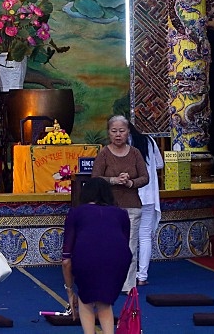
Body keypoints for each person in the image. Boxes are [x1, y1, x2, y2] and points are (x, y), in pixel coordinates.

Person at [62, 177, 132, 334]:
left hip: (86, 258)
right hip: (118, 260)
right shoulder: (122, 214)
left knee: (85, 299)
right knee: (104, 302)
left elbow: (66, 259)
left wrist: (70, 290)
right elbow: (122, 245)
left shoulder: (76, 213)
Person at [91, 114, 149, 292]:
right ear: (109, 133)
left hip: (132, 205)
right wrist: (114, 180)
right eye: (114, 131)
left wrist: (131, 182)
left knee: (129, 247)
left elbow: (145, 177)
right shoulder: (104, 153)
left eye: (121, 131)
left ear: (128, 132)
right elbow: (95, 178)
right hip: (109, 207)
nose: (118, 135)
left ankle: (128, 285)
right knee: (108, 246)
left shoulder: (135, 153)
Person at [128, 120, 162, 286]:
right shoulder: (149, 141)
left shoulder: (124, 144)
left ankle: (129, 276)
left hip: (130, 195)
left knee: (129, 236)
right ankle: (142, 276)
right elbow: (160, 163)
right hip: (148, 196)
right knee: (145, 236)